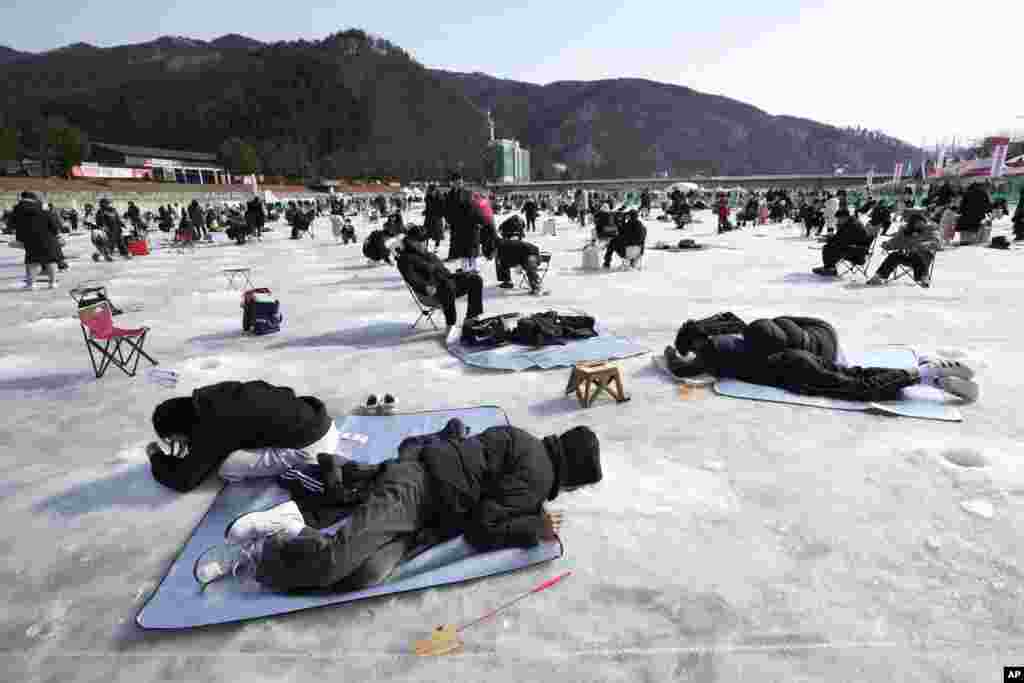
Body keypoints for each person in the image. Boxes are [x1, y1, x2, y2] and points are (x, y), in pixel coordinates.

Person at [194, 421, 602, 592]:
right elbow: (483, 526)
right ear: (572, 476)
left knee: (367, 574)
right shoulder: (538, 477)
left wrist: (528, 514)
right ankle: (260, 553)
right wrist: (533, 527)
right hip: (414, 488)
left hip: (427, 514)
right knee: (335, 562)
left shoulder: (523, 439)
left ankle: (292, 530)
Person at [663, 313, 979, 403]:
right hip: (798, 351)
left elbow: (681, 370)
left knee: (857, 388)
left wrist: (669, 355)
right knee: (855, 372)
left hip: (789, 367)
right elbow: (731, 318)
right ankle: (932, 376)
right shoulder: (736, 332)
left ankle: (922, 374)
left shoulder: (711, 351)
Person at [146, 380, 339, 493]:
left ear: (178, 430)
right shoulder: (213, 396)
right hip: (321, 419)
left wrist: (155, 455)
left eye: (175, 440)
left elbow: (184, 480)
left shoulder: (210, 427)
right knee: (241, 435)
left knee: (226, 466)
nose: (180, 444)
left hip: (314, 448)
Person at [397, 227, 484, 342]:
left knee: (475, 279)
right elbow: (412, 279)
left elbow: (445, 273)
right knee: (447, 286)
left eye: (424, 240)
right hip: (430, 292)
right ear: (411, 241)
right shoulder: (405, 259)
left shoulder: (429, 255)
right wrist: (425, 287)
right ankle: (451, 325)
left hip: (447, 285)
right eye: (420, 240)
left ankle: (472, 318)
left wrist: (462, 275)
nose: (423, 243)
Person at [866, 208, 940, 287]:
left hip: (923, 255)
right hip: (907, 255)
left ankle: (923, 278)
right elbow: (897, 241)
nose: (918, 224)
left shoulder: (931, 229)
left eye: (920, 222)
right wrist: (888, 244)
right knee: (894, 255)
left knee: (919, 255)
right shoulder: (905, 230)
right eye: (916, 223)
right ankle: (879, 277)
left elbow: (936, 242)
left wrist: (923, 245)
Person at [11, 191, 61, 289]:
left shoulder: (17, 208)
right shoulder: (43, 206)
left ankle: (31, 284)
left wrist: (20, 238)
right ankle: (52, 283)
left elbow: (14, 224)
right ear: (34, 198)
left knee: (32, 261)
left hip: (30, 238)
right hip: (47, 236)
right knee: (50, 260)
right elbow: (51, 220)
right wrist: (56, 233)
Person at [481, 220, 544, 294]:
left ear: (493, 251)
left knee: (528, 265)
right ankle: (507, 282)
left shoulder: (503, 248)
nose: (491, 258)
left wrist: (519, 265)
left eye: (491, 256)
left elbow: (519, 255)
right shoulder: (500, 248)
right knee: (501, 263)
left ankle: (536, 287)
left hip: (533, 255)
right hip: (524, 255)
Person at [445, 173, 492, 271]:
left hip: (470, 222)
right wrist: (448, 221)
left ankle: (474, 266)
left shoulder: (468, 193)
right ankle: (464, 267)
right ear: (452, 183)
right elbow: (447, 209)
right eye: (456, 182)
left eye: (460, 182)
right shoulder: (449, 194)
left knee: (472, 246)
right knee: (461, 247)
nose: (458, 184)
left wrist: (480, 220)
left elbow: (476, 207)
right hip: (457, 224)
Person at [812, 213, 875, 277]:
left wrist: (827, 239)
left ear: (845, 217)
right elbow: (842, 238)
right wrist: (829, 238)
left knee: (829, 247)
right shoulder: (851, 223)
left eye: (839, 219)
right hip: (857, 249)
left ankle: (830, 269)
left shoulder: (852, 225)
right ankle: (829, 267)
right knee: (831, 246)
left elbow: (842, 240)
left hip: (858, 253)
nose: (838, 221)